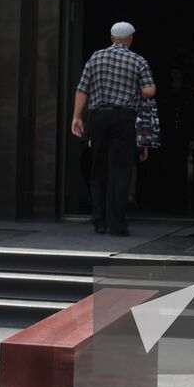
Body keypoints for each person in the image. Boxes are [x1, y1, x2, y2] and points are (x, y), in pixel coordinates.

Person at [71, 21, 156, 236]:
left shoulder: (95, 57)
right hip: (124, 118)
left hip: (98, 118)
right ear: (130, 39)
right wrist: (134, 90)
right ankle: (117, 224)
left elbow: (82, 89)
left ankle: (99, 221)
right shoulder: (138, 60)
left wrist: (77, 117)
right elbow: (150, 90)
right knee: (120, 170)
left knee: (98, 168)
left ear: (111, 38)